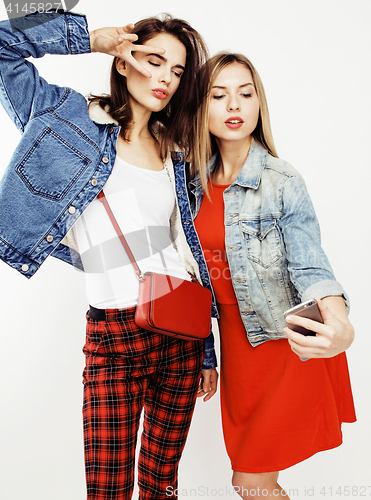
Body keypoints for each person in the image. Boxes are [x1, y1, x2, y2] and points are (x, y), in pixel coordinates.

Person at [0, 10, 218, 500]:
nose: (165, 77)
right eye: (154, 60)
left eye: (177, 71)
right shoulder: (65, 115)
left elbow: (188, 250)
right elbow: (1, 47)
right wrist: (92, 39)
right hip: (112, 338)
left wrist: (206, 349)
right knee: (106, 491)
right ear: (124, 62)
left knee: (161, 488)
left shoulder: (178, 152)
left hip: (181, 334)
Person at [190, 52, 356, 499]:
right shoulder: (188, 184)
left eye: (245, 94)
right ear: (199, 108)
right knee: (256, 483)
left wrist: (338, 320)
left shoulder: (282, 180)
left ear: (259, 104)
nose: (233, 106)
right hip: (238, 350)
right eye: (218, 95)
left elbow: (310, 262)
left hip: (283, 346)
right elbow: (195, 283)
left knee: (252, 483)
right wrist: (207, 355)